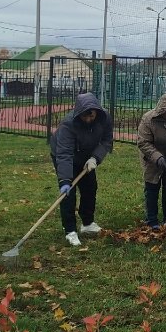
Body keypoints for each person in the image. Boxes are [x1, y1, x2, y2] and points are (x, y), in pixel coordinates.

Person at [49, 91, 114, 247]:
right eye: (85, 116)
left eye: (91, 116)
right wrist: (65, 180)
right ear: (78, 114)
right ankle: (70, 230)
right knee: (68, 194)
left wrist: (95, 158)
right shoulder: (68, 124)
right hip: (65, 156)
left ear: (96, 112)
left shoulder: (104, 118)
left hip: (87, 157)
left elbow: (106, 141)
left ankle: (87, 223)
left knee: (90, 187)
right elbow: (64, 154)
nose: (88, 119)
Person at [136, 93, 166, 228]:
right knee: (152, 188)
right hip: (152, 158)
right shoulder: (148, 120)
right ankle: (151, 220)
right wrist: (157, 157)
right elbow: (143, 142)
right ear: (161, 110)